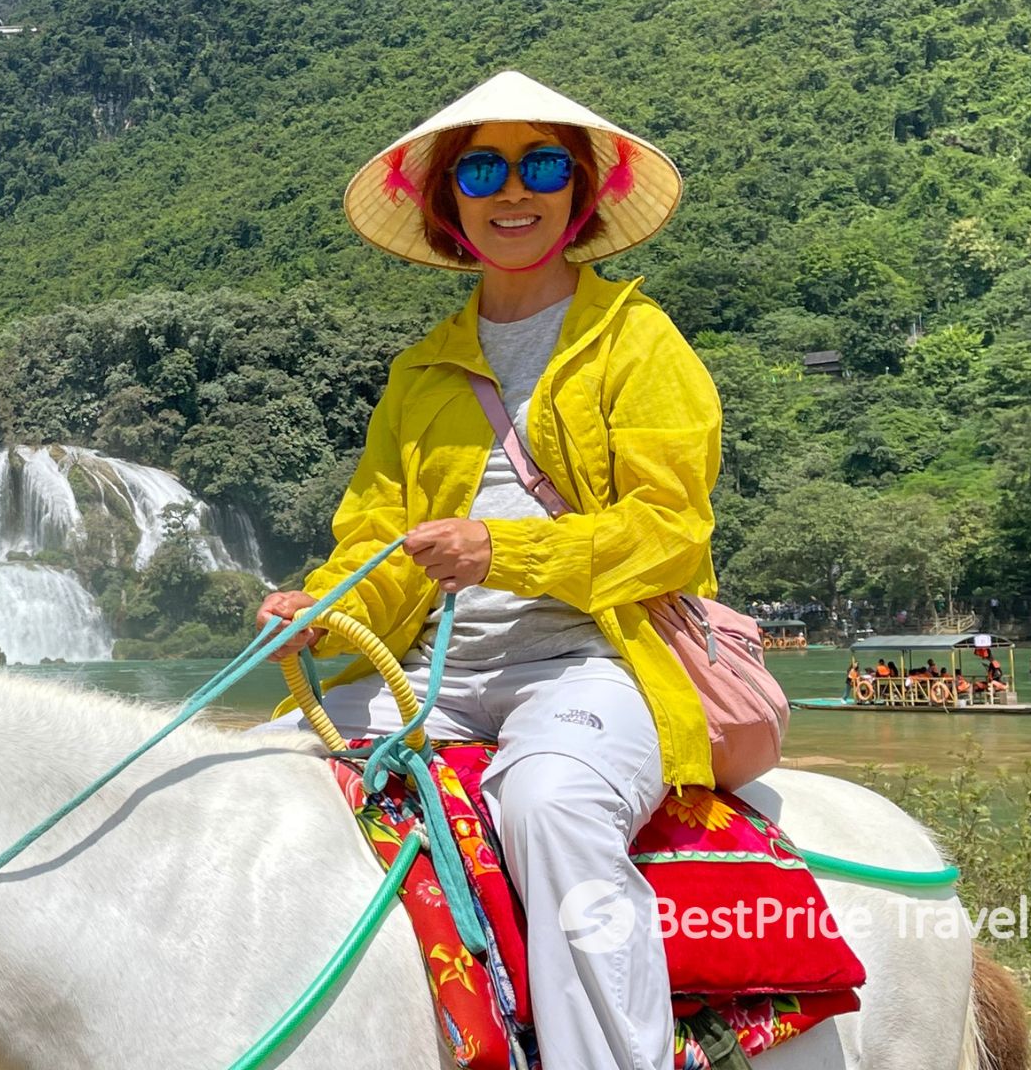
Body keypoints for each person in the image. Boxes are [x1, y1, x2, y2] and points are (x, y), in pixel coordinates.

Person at [255, 71, 714, 1070]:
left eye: (542, 164)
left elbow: (669, 530)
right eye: (482, 170)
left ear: (580, 191)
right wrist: (324, 615)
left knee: (549, 803)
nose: (514, 191)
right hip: (433, 674)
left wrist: (501, 549)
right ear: (448, 204)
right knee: (255, 772)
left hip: (593, 661)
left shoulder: (634, 342)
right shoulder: (420, 370)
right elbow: (376, 543)